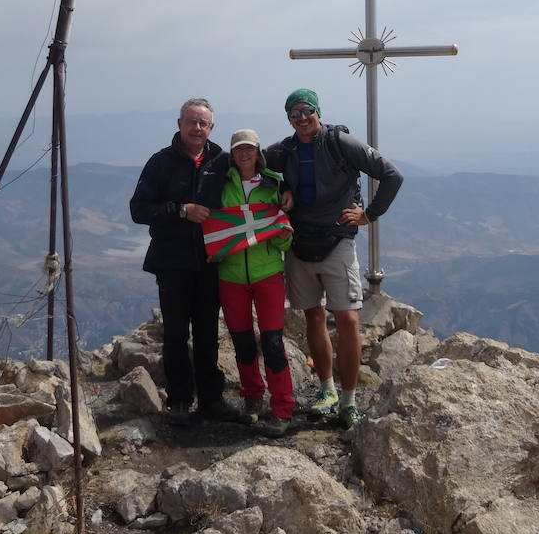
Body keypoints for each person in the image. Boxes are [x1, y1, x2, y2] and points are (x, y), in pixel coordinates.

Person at [265, 88, 404, 429]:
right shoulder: (284, 150)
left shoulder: (340, 142)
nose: (302, 118)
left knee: (348, 319)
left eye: (307, 111)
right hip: (299, 241)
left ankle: (349, 399)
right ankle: (327, 390)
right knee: (313, 316)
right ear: (288, 118)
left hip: (337, 239)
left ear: (318, 111)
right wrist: (279, 189)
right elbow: (251, 166)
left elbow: (391, 174)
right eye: (294, 113)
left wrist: (368, 215)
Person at [129, 98, 246, 426]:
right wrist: (181, 210)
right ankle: (179, 400)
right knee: (175, 333)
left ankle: (211, 400)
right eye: (191, 121)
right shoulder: (161, 162)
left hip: (212, 262)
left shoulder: (223, 161)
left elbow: (254, 178)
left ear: (211, 127)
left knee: (208, 332)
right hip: (172, 262)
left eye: (203, 123)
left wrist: (283, 191)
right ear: (179, 124)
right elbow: (139, 209)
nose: (197, 128)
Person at [213, 128, 295, 438]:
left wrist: (284, 237)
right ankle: (252, 397)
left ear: (258, 152)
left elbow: (283, 234)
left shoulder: (275, 184)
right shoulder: (221, 184)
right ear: (232, 154)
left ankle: (283, 408)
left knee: (273, 342)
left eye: (249, 148)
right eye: (238, 149)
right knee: (243, 342)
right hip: (231, 275)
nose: (244, 153)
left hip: (267, 273)